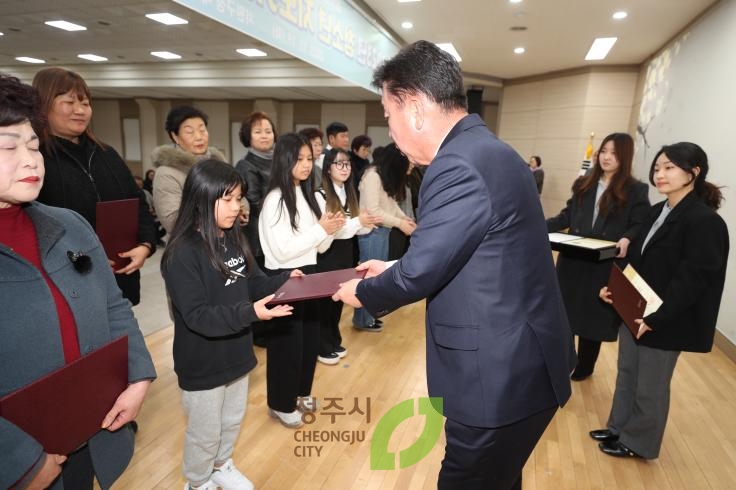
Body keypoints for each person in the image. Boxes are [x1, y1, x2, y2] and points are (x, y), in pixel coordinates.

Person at [332, 40, 575, 489]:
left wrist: (361, 293)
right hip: (519, 363)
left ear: (416, 107)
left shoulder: (458, 163)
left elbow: (423, 271)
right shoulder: (488, 151)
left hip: (497, 377)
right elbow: (466, 250)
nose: (391, 130)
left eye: (389, 115)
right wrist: (389, 269)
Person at [0, 73, 155, 490]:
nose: (31, 159)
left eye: (33, 145)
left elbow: (114, 307)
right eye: (9, 147)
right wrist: (19, 461)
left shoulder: (69, 225)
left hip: (87, 427)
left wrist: (137, 376)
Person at [161, 159, 295, 490]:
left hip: (236, 352)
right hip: (203, 361)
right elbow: (198, 316)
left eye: (239, 198)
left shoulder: (232, 240)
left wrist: (285, 281)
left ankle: (221, 465)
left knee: (231, 421)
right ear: (202, 198)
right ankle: (197, 481)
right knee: (204, 431)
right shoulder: (181, 253)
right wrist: (252, 313)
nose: (238, 207)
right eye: (229, 199)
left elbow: (254, 283)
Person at [593, 142, 729, 460]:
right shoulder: (659, 211)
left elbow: (693, 280)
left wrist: (656, 318)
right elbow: (639, 262)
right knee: (627, 373)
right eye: (657, 168)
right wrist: (612, 288)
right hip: (636, 311)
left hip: (664, 319)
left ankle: (639, 442)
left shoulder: (704, 221)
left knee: (650, 385)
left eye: (669, 167)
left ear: (693, 173)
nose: (660, 174)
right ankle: (618, 428)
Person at [32, 67, 157, 306]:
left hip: (120, 278)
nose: (80, 111)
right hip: (69, 283)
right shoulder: (36, 159)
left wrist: (145, 244)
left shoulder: (106, 154)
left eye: (85, 103)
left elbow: (137, 202)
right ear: (44, 104)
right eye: (69, 102)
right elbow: (35, 225)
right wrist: (82, 256)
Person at [546, 133, 650, 380]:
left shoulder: (636, 190)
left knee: (593, 318)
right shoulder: (584, 183)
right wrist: (537, 225)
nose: (606, 157)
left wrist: (627, 238)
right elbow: (566, 217)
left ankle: (585, 365)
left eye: (613, 153)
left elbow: (640, 223)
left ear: (624, 156)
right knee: (566, 313)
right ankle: (565, 359)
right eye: (603, 151)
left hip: (603, 263)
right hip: (573, 260)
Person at [258, 133, 344, 428]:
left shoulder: (306, 196)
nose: (306, 165)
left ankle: (300, 395)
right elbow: (283, 251)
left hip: (308, 275)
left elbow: (318, 248)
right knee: (287, 346)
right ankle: (281, 403)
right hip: (284, 278)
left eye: (310, 159)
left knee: (308, 343)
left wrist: (329, 230)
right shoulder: (275, 200)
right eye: (299, 159)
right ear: (284, 160)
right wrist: (321, 230)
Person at [315, 148, 381, 364]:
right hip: (327, 255)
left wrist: (366, 224)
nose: (345, 168)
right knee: (325, 303)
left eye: (348, 164)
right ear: (327, 168)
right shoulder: (320, 194)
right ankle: (322, 346)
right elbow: (332, 231)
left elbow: (353, 229)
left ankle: (333, 340)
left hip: (346, 255)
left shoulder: (350, 192)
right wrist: (357, 223)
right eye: (339, 164)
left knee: (339, 301)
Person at [352, 143, 416, 331]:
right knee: (368, 279)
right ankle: (361, 320)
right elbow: (374, 211)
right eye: (409, 164)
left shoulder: (382, 175)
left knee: (375, 278)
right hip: (372, 232)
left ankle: (367, 317)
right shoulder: (372, 176)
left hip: (381, 232)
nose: (410, 168)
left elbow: (390, 203)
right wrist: (400, 224)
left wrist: (403, 217)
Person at [152, 105, 228, 235]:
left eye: (202, 130)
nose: (199, 137)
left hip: (223, 243)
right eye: (189, 132)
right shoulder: (167, 173)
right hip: (190, 246)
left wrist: (243, 209)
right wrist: (222, 214)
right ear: (175, 137)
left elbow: (238, 195)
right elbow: (172, 221)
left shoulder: (219, 163)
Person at [234, 111, 277, 265]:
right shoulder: (245, 165)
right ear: (248, 136)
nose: (264, 136)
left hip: (279, 231)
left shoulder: (279, 161)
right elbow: (254, 204)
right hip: (259, 237)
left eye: (268, 131)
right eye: (258, 132)